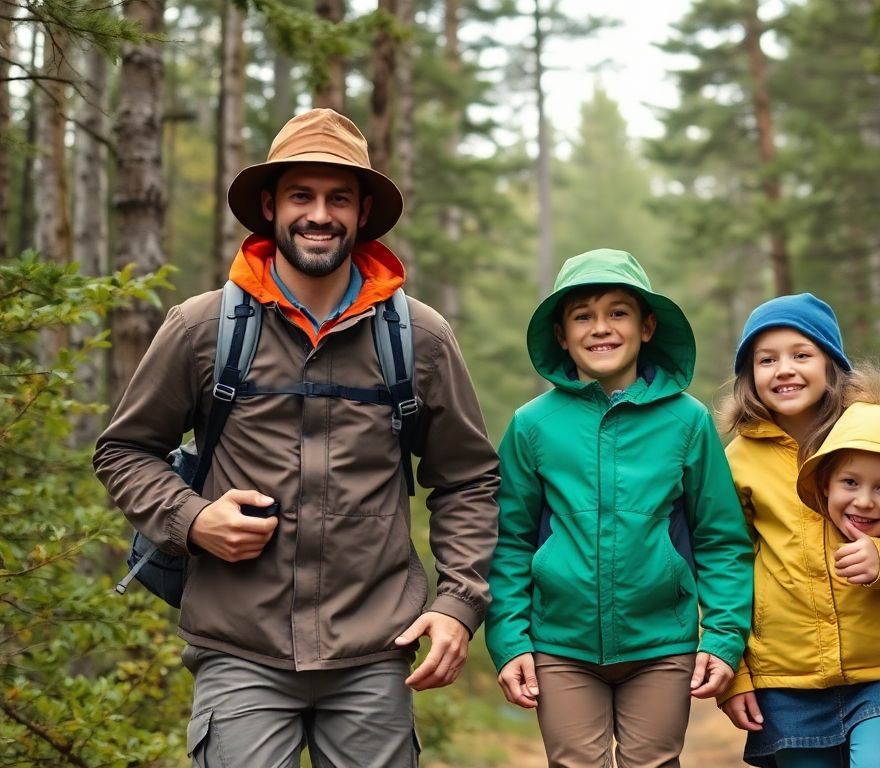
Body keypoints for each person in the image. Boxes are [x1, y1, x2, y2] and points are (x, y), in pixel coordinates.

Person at [93, 108, 500, 767]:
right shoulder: (203, 328)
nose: (320, 214)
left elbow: (468, 479)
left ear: (364, 211)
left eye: (338, 197)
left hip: (374, 655)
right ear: (269, 205)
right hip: (239, 652)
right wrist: (194, 519)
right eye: (301, 195)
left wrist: (458, 602)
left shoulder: (419, 338)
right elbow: (122, 451)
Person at [484, 248, 753, 768]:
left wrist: (722, 637)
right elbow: (509, 541)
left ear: (647, 326)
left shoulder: (688, 422)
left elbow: (720, 539)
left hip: (661, 645)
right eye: (582, 316)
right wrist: (511, 640)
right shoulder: (532, 425)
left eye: (617, 312)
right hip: (559, 647)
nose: (600, 328)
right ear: (561, 335)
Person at [715, 293, 880, 768]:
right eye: (766, 359)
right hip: (786, 677)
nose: (784, 369)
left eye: (801, 354)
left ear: (832, 365)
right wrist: (736, 673)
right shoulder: (737, 461)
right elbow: (721, 567)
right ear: (749, 375)